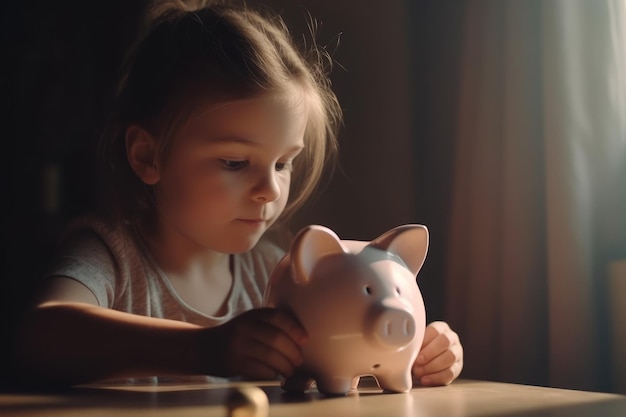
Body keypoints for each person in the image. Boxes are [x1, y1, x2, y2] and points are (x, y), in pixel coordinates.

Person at [14, 0, 463, 388]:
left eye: (283, 163)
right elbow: (42, 332)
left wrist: (414, 346)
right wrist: (204, 349)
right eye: (234, 163)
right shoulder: (109, 255)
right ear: (147, 156)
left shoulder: (275, 272)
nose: (270, 190)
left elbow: (346, 353)